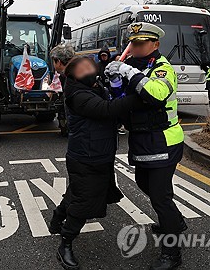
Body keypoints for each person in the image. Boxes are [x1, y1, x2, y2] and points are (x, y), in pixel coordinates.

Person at [106, 22, 186, 270]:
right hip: (141, 141)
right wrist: (112, 79)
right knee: (143, 185)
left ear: (155, 44)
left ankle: (172, 253)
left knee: (161, 198)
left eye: (142, 43)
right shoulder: (135, 66)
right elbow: (121, 100)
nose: (137, 47)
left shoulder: (163, 68)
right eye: (134, 43)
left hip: (164, 140)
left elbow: (155, 94)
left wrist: (128, 73)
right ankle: (175, 221)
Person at [50, 56, 140, 270]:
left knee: (77, 192)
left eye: (89, 67)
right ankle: (66, 244)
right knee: (84, 202)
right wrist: (140, 95)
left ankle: (57, 219)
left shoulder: (94, 86)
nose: (88, 71)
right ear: (72, 75)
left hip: (99, 154)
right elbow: (106, 110)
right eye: (82, 70)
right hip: (85, 156)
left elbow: (111, 106)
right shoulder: (76, 93)